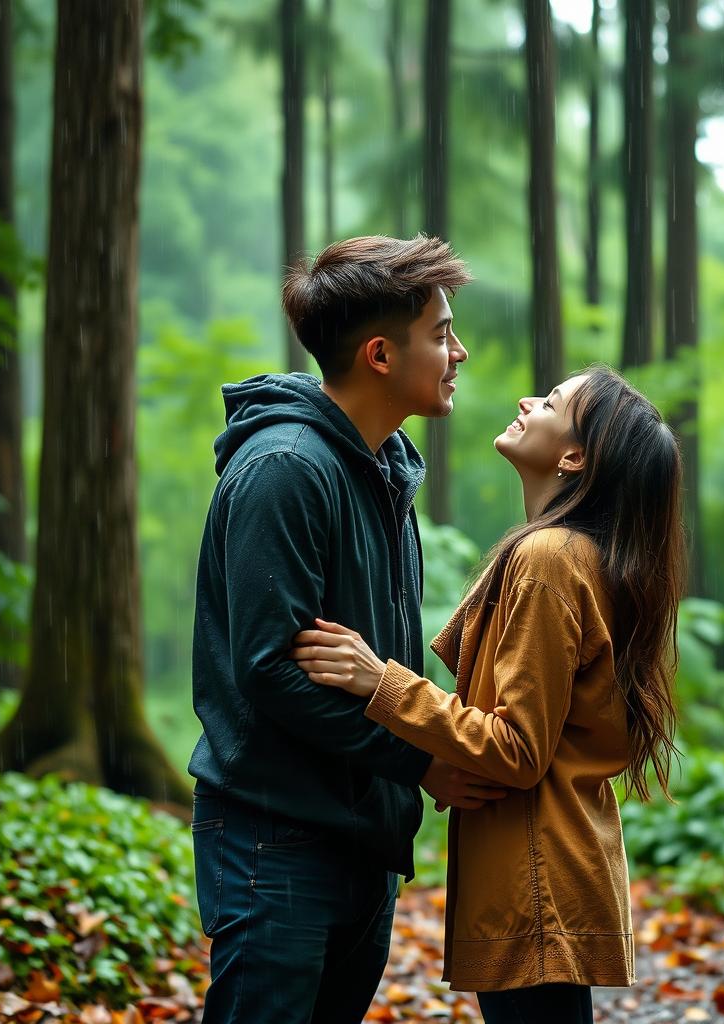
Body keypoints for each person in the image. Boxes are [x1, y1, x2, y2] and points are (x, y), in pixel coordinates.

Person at [292, 366, 685, 1024]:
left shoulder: (551, 560)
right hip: (547, 875)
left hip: (537, 884)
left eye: (554, 401)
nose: (528, 399)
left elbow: (516, 749)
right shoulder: (578, 556)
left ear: (574, 455)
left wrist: (379, 681)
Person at [188, 234, 509, 1024]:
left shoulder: (384, 467)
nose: (458, 352)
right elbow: (272, 671)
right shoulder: (287, 468)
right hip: (277, 836)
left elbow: (375, 665)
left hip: (360, 838)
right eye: (440, 334)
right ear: (378, 354)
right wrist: (419, 762)